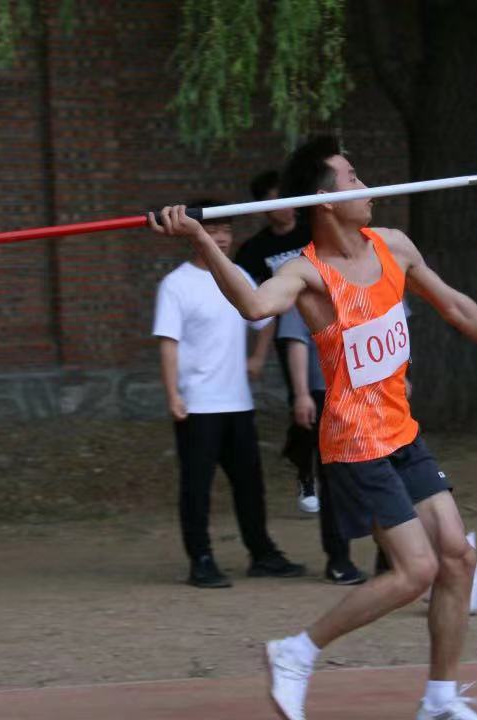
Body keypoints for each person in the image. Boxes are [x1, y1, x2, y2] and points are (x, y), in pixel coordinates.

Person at [150, 136, 477, 720]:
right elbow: (255, 307)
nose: (367, 188)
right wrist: (199, 239)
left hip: (400, 429)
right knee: (416, 570)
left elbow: (456, 306)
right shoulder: (305, 272)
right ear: (324, 200)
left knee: (457, 558)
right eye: (353, 178)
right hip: (354, 439)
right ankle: (296, 652)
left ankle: (439, 700)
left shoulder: (393, 245)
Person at [153, 200, 305, 589]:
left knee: (250, 484)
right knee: (197, 487)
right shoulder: (176, 284)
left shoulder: (239, 276)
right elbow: (168, 343)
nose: (220, 238)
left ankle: (262, 553)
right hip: (197, 404)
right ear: (194, 235)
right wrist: (173, 395)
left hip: (238, 402)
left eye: (225, 230)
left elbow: (266, 317)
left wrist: (258, 357)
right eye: (212, 230)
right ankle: (201, 559)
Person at [236, 170, 320, 513]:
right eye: (272, 203)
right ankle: (307, 476)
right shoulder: (255, 251)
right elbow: (258, 307)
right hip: (292, 335)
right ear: (261, 208)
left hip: (331, 324)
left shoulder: (315, 231)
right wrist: (257, 355)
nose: (282, 208)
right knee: (305, 401)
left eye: (285, 200)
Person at [278, 307, 365, 585]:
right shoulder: (306, 291)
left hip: (368, 390)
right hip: (326, 391)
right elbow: (296, 341)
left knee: (381, 470)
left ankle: (391, 555)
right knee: (334, 477)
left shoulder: (368, 284)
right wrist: (302, 394)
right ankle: (338, 559)